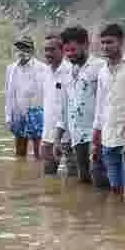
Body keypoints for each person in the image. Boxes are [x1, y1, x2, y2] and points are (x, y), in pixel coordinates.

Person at [92, 23, 125, 195]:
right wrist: (96, 136)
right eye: (103, 43)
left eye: (110, 42)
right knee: (115, 187)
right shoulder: (102, 72)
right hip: (108, 136)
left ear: (121, 42)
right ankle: (118, 219)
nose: (106, 46)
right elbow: (100, 104)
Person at [55, 25, 108, 185]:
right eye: (67, 51)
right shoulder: (66, 72)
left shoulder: (100, 67)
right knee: (83, 180)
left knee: (100, 181)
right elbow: (64, 107)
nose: (70, 54)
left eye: (73, 49)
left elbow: (106, 103)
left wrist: (100, 136)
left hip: (97, 134)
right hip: (76, 135)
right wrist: (58, 138)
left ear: (86, 44)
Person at [39, 33, 75, 176]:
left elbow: (68, 107)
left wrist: (59, 139)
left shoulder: (71, 71)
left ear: (62, 50)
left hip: (68, 137)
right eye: (46, 50)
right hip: (48, 136)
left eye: (52, 49)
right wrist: (44, 137)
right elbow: (48, 105)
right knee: (48, 178)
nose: (48, 53)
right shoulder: (45, 71)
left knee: (73, 179)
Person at [4, 35, 45, 158]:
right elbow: (8, 94)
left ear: (32, 50)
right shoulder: (11, 69)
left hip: (37, 112)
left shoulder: (42, 68)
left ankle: (38, 174)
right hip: (18, 112)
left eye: (25, 48)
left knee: (39, 153)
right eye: (19, 48)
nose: (22, 52)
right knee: (20, 152)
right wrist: (8, 116)